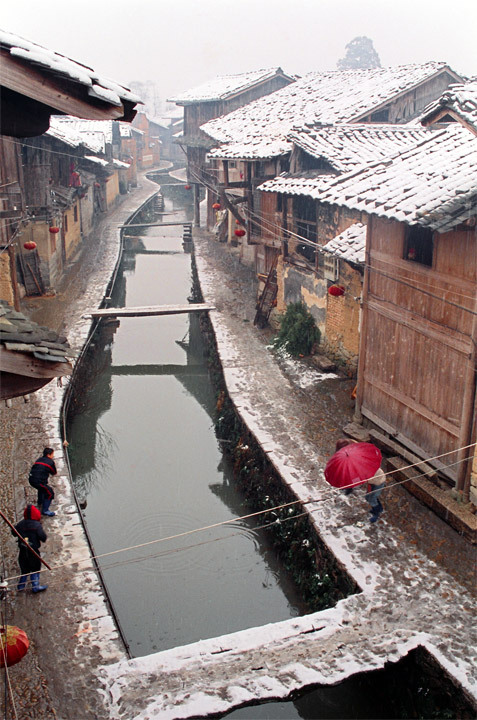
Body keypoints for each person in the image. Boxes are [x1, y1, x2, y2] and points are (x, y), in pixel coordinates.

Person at [12, 505, 48, 593]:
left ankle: (20, 586)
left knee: (24, 569)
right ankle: (35, 586)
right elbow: (43, 537)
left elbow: (13, 532)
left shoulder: (20, 524)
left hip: (23, 551)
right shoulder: (37, 525)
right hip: (33, 552)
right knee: (35, 568)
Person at [28, 447, 57, 516]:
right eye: (52, 454)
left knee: (42, 488)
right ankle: (45, 510)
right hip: (38, 481)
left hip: (31, 479)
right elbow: (54, 472)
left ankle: (40, 501)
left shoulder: (38, 459)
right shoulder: (50, 462)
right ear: (48, 455)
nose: (53, 456)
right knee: (50, 493)